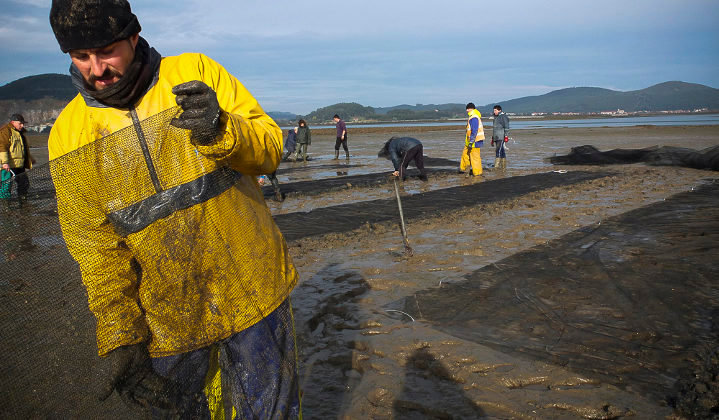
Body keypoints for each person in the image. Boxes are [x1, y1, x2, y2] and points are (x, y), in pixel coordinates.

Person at [47, 0, 299, 417]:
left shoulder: (196, 72)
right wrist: (121, 336)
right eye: (80, 56)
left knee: (273, 410)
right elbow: (95, 249)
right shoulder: (69, 135)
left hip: (255, 290)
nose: (96, 69)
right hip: (168, 320)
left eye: (106, 50)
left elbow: (271, 149)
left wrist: (221, 128)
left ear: (132, 36)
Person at [0, 114, 35, 201]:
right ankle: (5, 205)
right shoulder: (6, 131)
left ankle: (23, 202)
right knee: (6, 187)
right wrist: (4, 163)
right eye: (20, 123)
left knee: (24, 184)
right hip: (8, 166)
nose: (22, 125)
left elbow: (24, 149)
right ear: (13, 122)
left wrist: (30, 159)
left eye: (23, 123)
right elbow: (2, 147)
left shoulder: (21, 133)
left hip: (20, 165)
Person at [459, 103, 484, 177]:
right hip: (469, 142)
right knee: (465, 154)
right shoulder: (472, 117)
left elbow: (474, 130)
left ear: (471, 109)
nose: (466, 110)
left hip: (475, 141)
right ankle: (464, 169)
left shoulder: (474, 117)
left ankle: (477, 173)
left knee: (475, 157)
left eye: (468, 109)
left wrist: (471, 141)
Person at [491, 104, 510, 169]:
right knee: (501, 151)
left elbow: (506, 127)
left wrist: (506, 136)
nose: (494, 112)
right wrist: (492, 138)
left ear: (499, 110)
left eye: (495, 110)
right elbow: (495, 129)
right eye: (494, 110)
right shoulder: (495, 117)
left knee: (498, 150)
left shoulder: (503, 117)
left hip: (501, 136)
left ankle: (496, 166)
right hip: (496, 137)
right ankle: (503, 166)